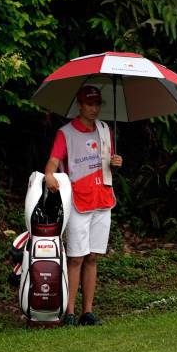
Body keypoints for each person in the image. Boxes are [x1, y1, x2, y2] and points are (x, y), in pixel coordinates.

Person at [44, 85, 122, 326]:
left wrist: (116, 161)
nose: (94, 108)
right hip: (78, 200)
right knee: (76, 257)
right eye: (89, 104)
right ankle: (68, 311)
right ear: (80, 104)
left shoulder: (104, 129)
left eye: (97, 103)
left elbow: (109, 161)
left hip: (103, 199)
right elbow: (52, 163)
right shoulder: (65, 133)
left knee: (92, 257)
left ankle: (87, 312)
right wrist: (49, 176)